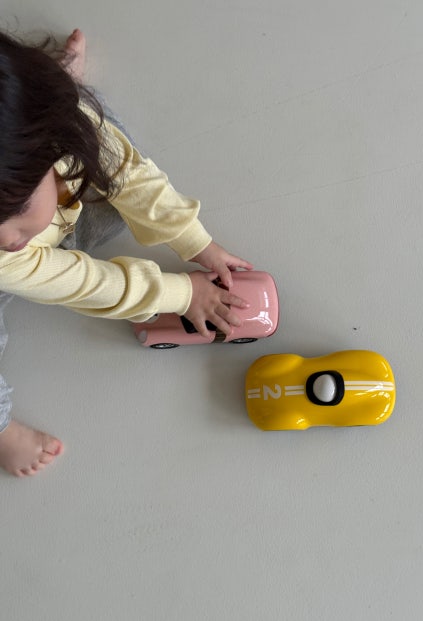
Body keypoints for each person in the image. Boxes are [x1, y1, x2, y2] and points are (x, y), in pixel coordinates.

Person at [0, 28, 253, 477]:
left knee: (103, 141)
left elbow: (130, 175)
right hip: (14, 269)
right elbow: (88, 284)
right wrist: (183, 295)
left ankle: (57, 88)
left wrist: (195, 241)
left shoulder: (57, 130)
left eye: (14, 210)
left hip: (49, 138)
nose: (3, 237)